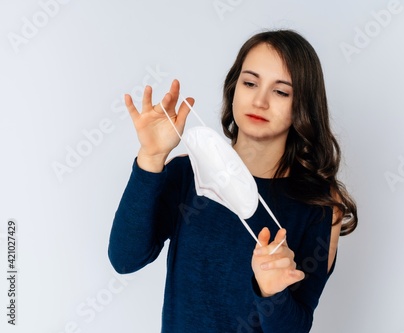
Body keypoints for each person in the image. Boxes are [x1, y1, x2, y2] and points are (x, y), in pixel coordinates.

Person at [108, 29, 358, 333]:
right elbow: (125, 259)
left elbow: (296, 326)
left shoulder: (320, 205)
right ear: (234, 87)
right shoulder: (188, 174)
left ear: (302, 105)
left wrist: (272, 292)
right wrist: (150, 158)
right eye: (250, 83)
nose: (260, 100)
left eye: (281, 91)